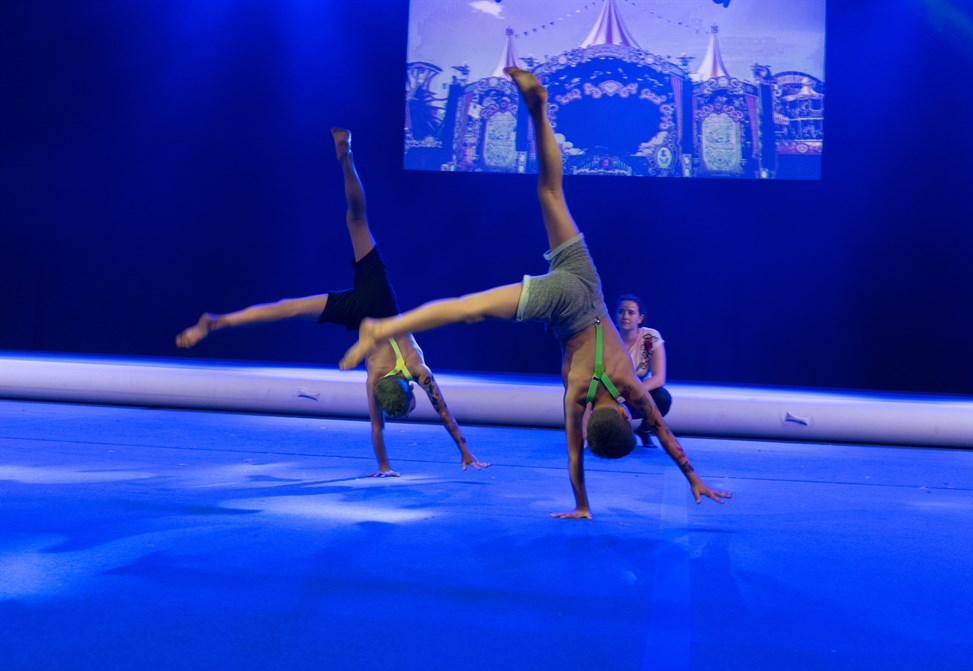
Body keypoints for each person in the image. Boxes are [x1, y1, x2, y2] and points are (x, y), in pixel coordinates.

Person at [340, 68, 731, 518]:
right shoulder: (577, 394)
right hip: (559, 306)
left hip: (585, 283)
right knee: (470, 308)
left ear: (625, 415)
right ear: (602, 421)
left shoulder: (629, 387)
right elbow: (574, 456)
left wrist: (693, 475)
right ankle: (384, 327)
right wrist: (581, 505)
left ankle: (539, 109)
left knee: (550, 190)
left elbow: (663, 432)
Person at [175, 128, 489, 478]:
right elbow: (378, 427)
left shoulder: (416, 369)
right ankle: (221, 322)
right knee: (290, 310)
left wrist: (458, 451)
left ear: (408, 388)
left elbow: (441, 412)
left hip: (376, 302)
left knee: (354, 223)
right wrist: (392, 465)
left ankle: (346, 159)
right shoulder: (376, 377)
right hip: (367, 312)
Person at [615, 295, 672, 448]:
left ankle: (644, 430)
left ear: (640, 318)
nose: (625, 316)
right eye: (621, 311)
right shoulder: (607, 338)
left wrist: (630, 392)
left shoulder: (650, 337)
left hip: (635, 394)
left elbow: (659, 378)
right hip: (611, 393)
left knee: (662, 398)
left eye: (631, 312)